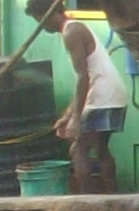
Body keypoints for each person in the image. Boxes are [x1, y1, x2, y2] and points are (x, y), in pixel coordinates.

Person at [55, 16, 129, 194]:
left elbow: (83, 78)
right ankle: (113, 197)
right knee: (101, 148)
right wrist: (68, 115)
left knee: (78, 149)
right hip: (114, 93)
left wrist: (75, 119)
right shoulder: (77, 27)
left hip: (102, 96)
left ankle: (88, 202)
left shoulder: (71, 32)